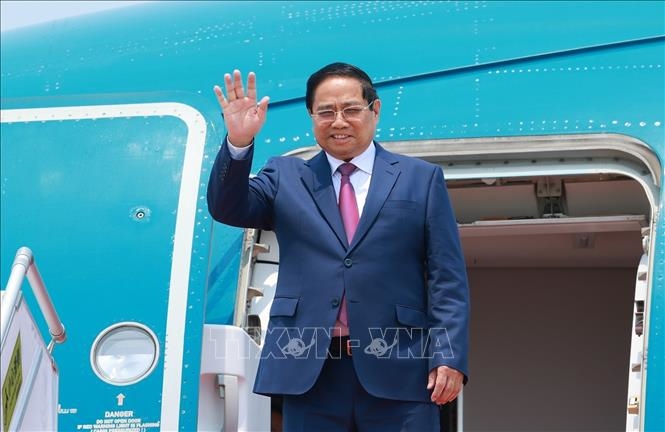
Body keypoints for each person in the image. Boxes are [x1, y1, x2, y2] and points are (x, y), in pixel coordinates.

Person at [207, 62, 469, 431]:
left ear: (375, 110)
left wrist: (448, 355)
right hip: (310, 372)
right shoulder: (286, 175)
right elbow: (227, 207)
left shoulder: (420, 179)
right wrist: (238, 143)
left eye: (350, 109)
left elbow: (447, 279)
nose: (339, 121)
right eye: (326, 112)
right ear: (312, 117)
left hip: (399, 367)